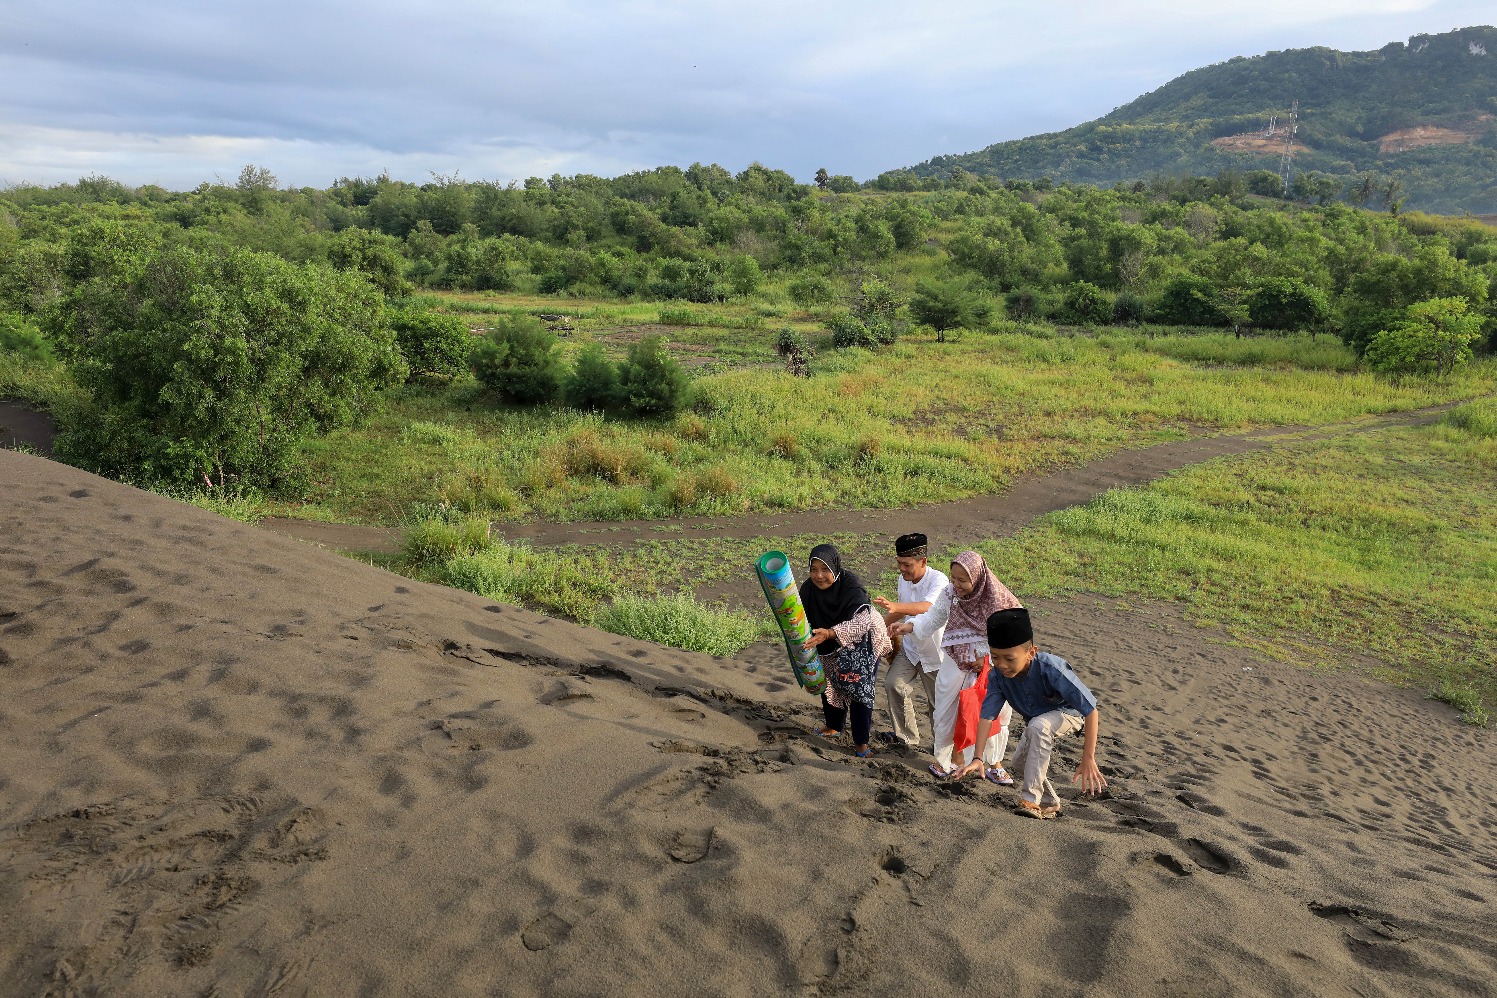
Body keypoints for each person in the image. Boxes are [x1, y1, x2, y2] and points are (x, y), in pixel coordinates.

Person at [953, 607, 1107, 819]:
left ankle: (1030, 801)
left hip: (1070, 715)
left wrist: (1088, 757)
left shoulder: (1052, 668)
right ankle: (1049, 802)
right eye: (995, 657)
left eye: (1009, 658)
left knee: (1038, 726)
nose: (1002, 665)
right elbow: (987, 716)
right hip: (1037, 722)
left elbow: (1090, 711)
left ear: (1031, 652)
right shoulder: (997, 675)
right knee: (1019, 763)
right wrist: (978, 757)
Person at [892, 551, 1022, 780]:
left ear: (978, 577)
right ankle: (949, 760)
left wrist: (989, 661)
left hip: (991, 665)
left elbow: (1015, 636)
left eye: (963, 580)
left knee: (996, 713)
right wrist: (909, 627)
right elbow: (934, 617)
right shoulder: (950, 594)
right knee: (946, 710)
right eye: (953, 578)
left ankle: (994, 763)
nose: (956, 584)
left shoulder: (998, 599)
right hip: (955, 659)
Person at [799, 543, 890, 758]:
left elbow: (863, 621)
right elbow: (798, 619)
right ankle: (834, 726)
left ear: (835, 568)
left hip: (864, 639)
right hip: (828, 640)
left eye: (825, 570)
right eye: (814, 569)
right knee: (829, 681)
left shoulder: (851, 586)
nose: (819, 576)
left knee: (857, 687)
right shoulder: (807, 589)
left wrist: (831, 633)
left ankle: (861, 743)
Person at [872, 533, 948, 748]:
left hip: (936, 654)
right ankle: (907, 739)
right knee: (893, 684)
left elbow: (929, 607)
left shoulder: (939, 580)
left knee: (938, 705)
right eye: (899, 564)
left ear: (923, 561)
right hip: (911, 648)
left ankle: (943, 749)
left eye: (907, 564)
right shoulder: (902, 580)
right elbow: (900, 611)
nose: (902, 569)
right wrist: (880, 627)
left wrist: (897, 607)